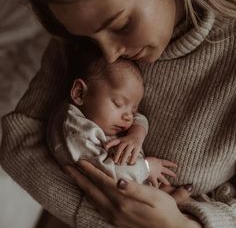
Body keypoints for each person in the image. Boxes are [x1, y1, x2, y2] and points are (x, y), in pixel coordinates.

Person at [1, 0, 236, 228]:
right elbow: (18, 136)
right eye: (88, 38)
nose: (110, 56)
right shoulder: (83, 31)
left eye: (121, 25)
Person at [48, 55, 177, 186]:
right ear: (79, 93)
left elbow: (140, 117)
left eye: (132, 110)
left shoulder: (95, 116)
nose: (129, 117)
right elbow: (109, 175)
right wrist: (147, 168)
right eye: (118, 103)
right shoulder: (76, 133)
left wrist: (136, 135)